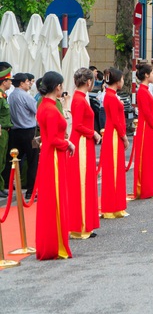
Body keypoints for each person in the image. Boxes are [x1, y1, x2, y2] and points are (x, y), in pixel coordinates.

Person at [35, 71, 75, 260]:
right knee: (56, 198)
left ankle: (53, 241)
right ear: (57, 86)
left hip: (51, 156)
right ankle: (56, 243)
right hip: (54, 157)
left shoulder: (45, 105)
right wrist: (67, 143)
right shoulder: (50, 109)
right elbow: (52, 139)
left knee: (53, 199)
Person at [68, 68, 101, 239]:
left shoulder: (79, 98)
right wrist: (93, 133)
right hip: (81, 142)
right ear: (88, 82)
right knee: (82, 182)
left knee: (86, 182)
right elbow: (78, 125)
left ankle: (85, 223)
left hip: (83, 141)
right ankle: (80, 225)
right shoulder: (79, 100)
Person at [99, 68, 129, 218]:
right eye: (122, 79)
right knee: (113, 170)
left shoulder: (111, 95)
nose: (123, 82)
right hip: (114, 134)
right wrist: (124, 136)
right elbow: (115, 119)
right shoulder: (110, 97)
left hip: (114, 133)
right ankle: (112, 206)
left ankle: (117, 204)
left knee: (116, 170)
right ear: (117, 81)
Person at [132, 64, 153, 199]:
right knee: (146, 158)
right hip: (146, 128)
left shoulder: (145, 90)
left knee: (150, 158)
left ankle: (149, 188)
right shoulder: (142, 91)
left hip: (148, 127)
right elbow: (146, 112)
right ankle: (145, 189)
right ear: (146, 75)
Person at [8, 73, 38, 201]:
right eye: (27, 82)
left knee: (15, 161)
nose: (29, 84)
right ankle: (31, 190)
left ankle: (14, 187)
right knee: (33, 161)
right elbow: (36, 111)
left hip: (15, 131)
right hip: (29, 131)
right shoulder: (26, 96)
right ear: (21, 83)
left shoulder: (11, 96)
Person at [0, 67, 12, 198]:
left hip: (5, 130)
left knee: (3, 160)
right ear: (4, 82)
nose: (11, 83)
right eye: (9, 80)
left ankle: (1, 186)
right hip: (1, 131)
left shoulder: (3, 95)